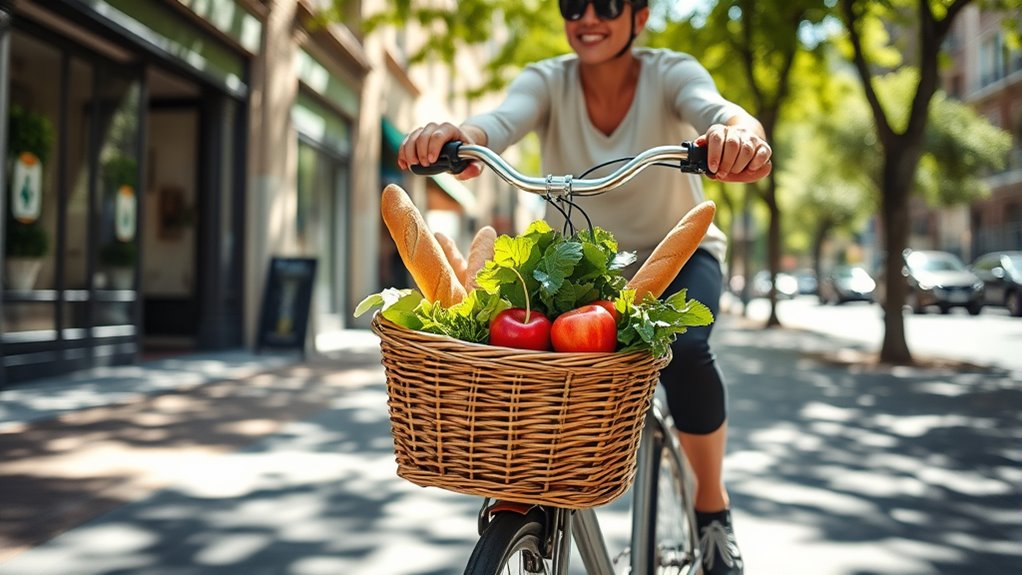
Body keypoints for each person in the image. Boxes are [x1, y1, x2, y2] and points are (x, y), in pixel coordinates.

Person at [398, 1, 771, 573]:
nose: (589, 16)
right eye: (574, 3)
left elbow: (718, 110)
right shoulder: (550, 79)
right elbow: (498, 122)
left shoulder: (670, 71)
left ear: (639, 17)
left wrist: (739, 136)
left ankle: (711, 506)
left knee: (687, 352)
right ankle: (523, 495)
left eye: (608, 3)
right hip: (576, 270)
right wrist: (460, 139)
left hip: (674, 256)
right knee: (524, 365)